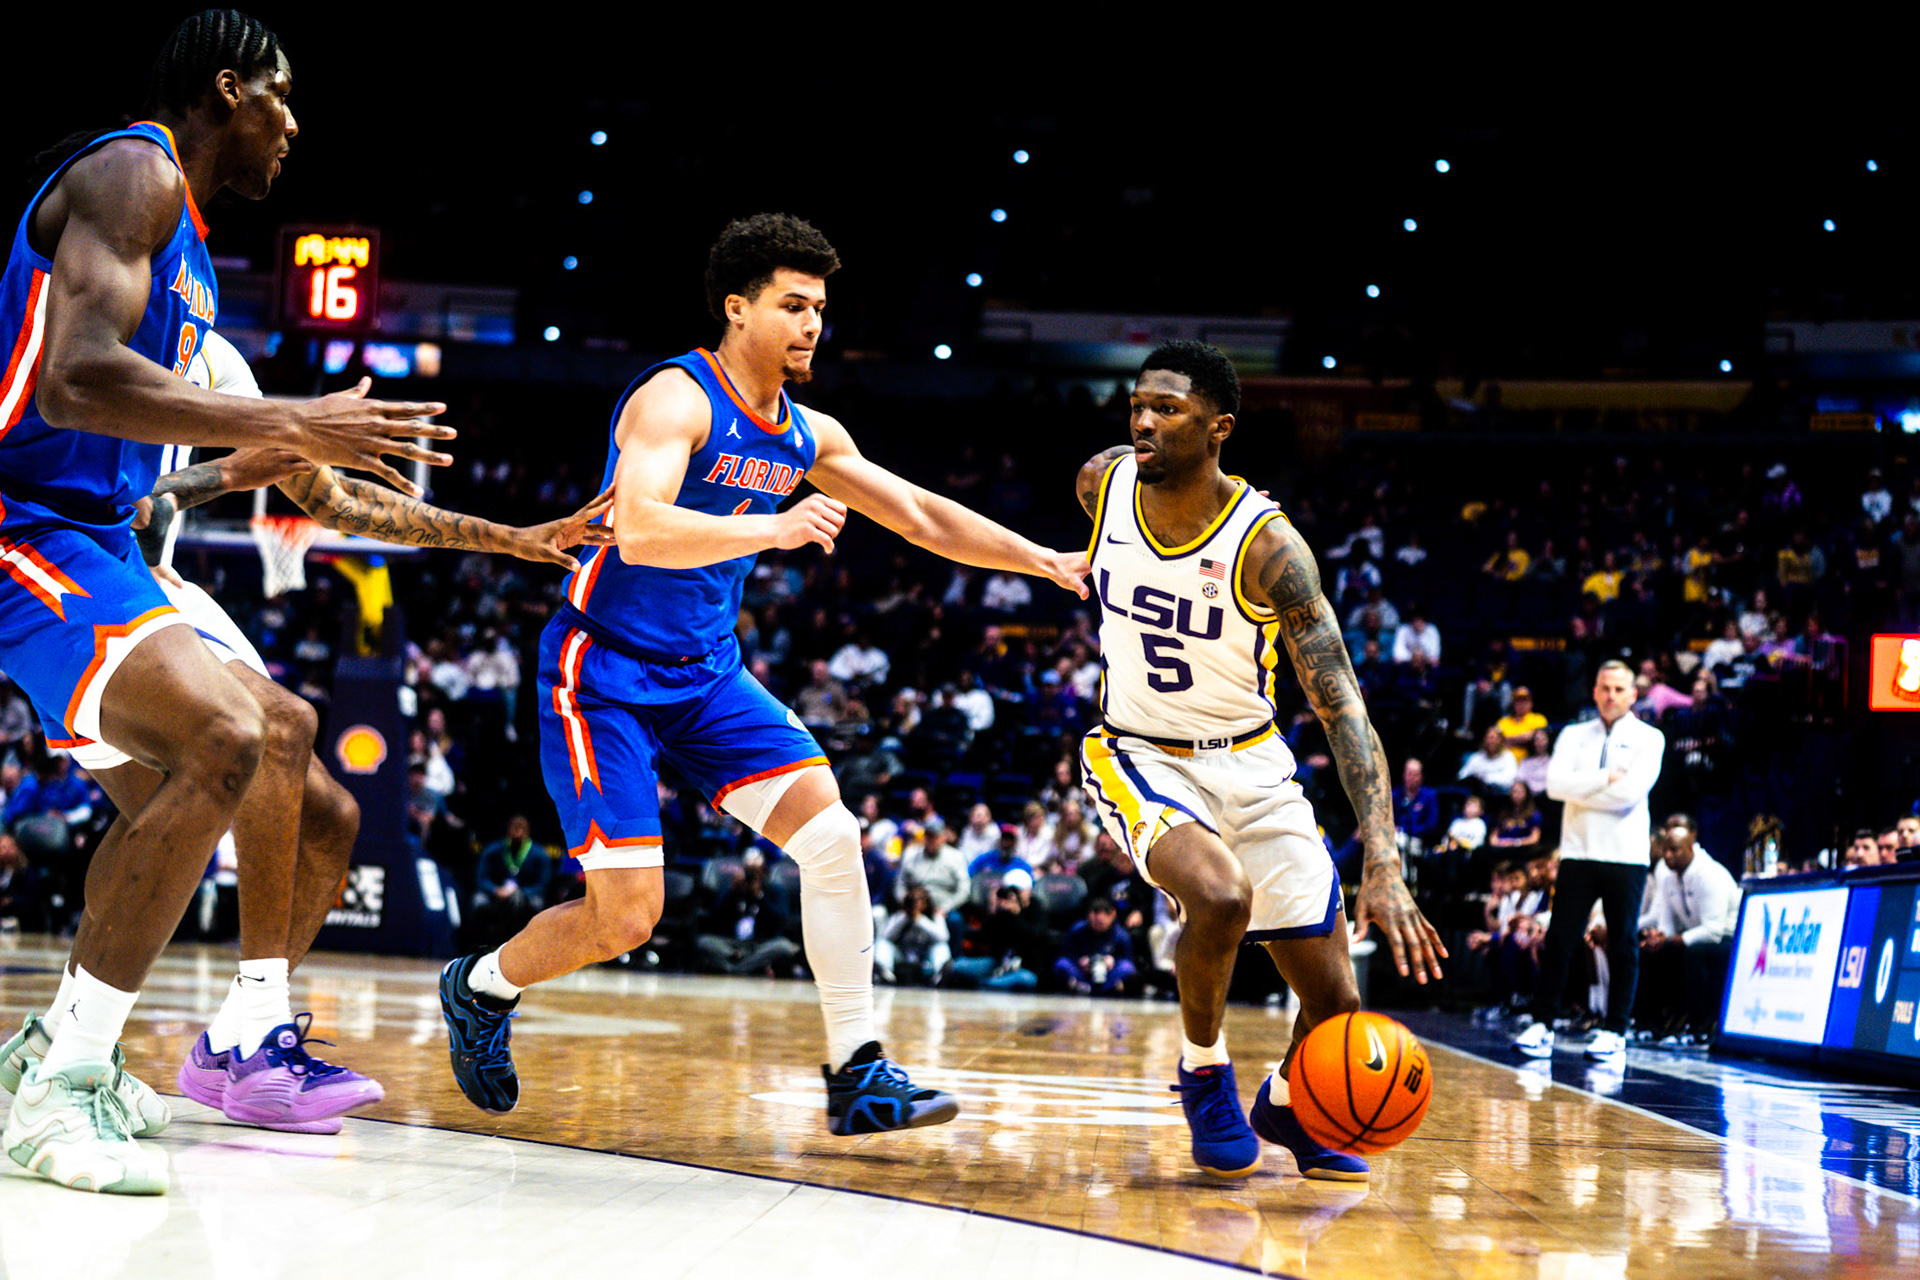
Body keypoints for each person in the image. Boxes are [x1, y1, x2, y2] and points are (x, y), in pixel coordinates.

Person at [438, 213, 1087, 1136]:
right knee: (626, 919)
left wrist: (1042, 559)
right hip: (601, 673)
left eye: (819, 307)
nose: (812, 323)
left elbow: (919, 514)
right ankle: (481, 984)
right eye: (792, 305)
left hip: (707, 675)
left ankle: (858, 1072)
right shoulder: (676, 399)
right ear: (737, 310)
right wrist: (774, 527)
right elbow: (638, 528)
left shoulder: (808, 434)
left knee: (833, 836)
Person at [0, 11, 455, 1195]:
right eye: (281, 97)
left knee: (210, 780)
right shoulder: (135, 171)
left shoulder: (189, 244)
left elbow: (235, 455)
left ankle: (57, 1050)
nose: (293, 124)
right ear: (227, 89)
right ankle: (57, 1091)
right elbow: (73, 379)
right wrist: (289, 419)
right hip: (21, 521)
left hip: (95, 537)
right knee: (226, 736)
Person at [65, 329, 606, 1135]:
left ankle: (225, 1046)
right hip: (78, 584)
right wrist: (221, 475)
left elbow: (338, 502)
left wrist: (509, 538)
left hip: (163, 589)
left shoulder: (208, 352)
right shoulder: (80, 331)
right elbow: (110, 498)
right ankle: (235, 1036)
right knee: (279, 728)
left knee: (332, 818)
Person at [1075, 341, 1443, 1183]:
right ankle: (1204, 1073)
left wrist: (1384, 859)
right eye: (1138, 405)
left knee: (1336, 1004)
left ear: (1220, 428)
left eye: (1168, 408)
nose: (1144, 421)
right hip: (1139, 751)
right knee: (1219, 896)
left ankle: (1289, 1102)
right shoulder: (1102, 484)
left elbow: (1343, 706)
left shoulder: (1269, 548)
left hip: (1252, 762)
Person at [1512, 661, 1665, 1063]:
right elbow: (1555, 786)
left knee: (1622, 943)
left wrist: (1583, 788)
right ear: (1595, 691)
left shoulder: (1650, 738)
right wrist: (1605, 777)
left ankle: (1615, 1031)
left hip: (1626, 856)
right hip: (1578, 851)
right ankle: (1542, 1024)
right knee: (1560, 941)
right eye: (1605, 688)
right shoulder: (1573, 734)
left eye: (1619, 689)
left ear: (1633, 694)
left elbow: (1630, 794)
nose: (1611, 695)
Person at [1632, 814, 1739, 1042]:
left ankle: (1698, 1028)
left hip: (1729, 940)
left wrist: (1671, 940)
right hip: (1695, 937)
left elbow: (1714, 931)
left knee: (1694, 954)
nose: (1667, 856)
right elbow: (1667, 925)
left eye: (1675, 850)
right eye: (1665, 850)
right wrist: (1658, 937)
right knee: (1649, 950)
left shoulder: (1710, 874)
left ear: (1690, 848)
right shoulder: (1668, 877)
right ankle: (1650, 1024)